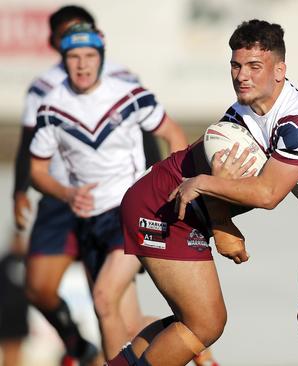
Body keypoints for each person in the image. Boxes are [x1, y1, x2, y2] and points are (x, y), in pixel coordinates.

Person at [119, 19, 298, 366]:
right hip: (160, 209)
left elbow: (268, 194)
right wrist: (222, 220)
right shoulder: (252, 115)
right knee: (205, 322)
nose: (242, 75)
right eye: (236, 66)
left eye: (254, 66)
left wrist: (209, 192)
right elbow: (213, 162)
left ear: (280, 71)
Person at [14, 5, 163, 365]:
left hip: (114, 204)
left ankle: (194, 333)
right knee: (39, 287)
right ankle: (80, 348)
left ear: (98, 39)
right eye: (69, 36)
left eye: (85, 34)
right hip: (61, 196)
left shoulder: (122, 81)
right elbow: (28, 144)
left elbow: (150, 133)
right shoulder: (44, 89)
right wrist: (19, 191)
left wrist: (153, 184)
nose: (81, 57)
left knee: (114, 309)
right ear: (55, 43)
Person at [0, 232, 29, 366]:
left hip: (20, 315)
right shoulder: (5, 262)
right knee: (8, 349)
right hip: (5, 315)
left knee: (17, 350)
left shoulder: (28, 261)